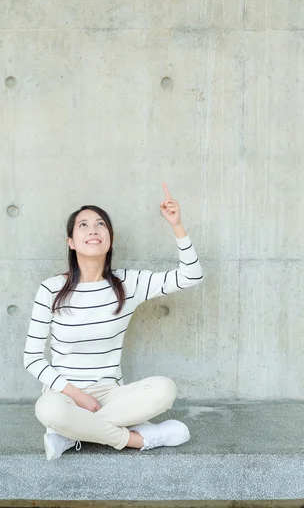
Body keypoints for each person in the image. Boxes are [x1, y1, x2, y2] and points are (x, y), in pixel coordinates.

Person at [24, 183, 203, 460]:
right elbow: (32, 359)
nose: (93, 229)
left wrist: (176, 224)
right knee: (48, 410)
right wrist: (80, 397)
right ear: (71, 242)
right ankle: (139, 438)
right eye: (83, 225)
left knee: (164, 389)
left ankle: (71, 434)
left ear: (110, 238)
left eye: (100, 224)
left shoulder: (128, 284)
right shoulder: (51, 288)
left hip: (111, 394)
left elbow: (192, 275)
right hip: (64, 394)